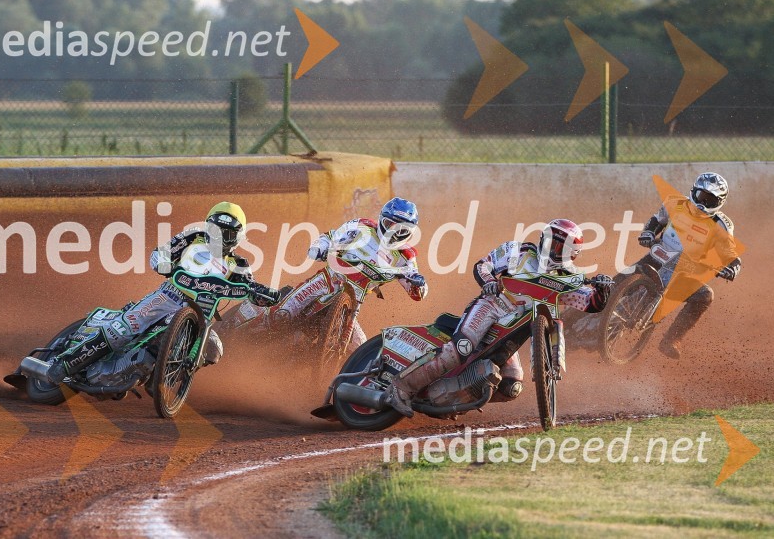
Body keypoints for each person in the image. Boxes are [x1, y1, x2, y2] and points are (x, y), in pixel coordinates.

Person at [385, 219, 613, 418]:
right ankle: (401, 387)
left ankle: (455, 400)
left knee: (511, 385)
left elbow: (590, 303)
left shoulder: (570, 278)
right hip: (493, 306)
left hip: (514, 327)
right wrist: (489, 282)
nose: (550, 246)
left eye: (558, 245)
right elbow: (483, 265)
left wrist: (602, 289)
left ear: (571, 252)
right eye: (549, 239)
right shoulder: (520, 251)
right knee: (461, 348)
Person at [45, 201, 278, 384]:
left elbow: (250, 287)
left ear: (236, 237)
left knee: (214, 348)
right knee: (126, 328)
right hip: (168, 296)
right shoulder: (191, 238)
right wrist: (164, 264)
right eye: (215, 230)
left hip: (202, 313)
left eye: (225, 234)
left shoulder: (239, 263)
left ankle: (166, 375)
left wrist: (264, 296)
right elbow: (160, 253)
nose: (218, 238)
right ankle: (64, 364)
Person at [268, 197, 428, 346]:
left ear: (411, 232)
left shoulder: (405, 256)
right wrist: (319, 248)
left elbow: (416, 289)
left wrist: (419, 284)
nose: (394, 233)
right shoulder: (363, 227)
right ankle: (249, 333)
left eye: (402, 230)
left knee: (360, 348)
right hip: (326, 282)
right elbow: (330, 236)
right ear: (381, 219)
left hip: (352, 303)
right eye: (390, 225)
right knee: (282, 314)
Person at [637, 172, 741, 359]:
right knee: (615, 284)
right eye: (702, 196)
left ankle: (672, 340)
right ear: (694, 191)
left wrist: (732, 267)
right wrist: (648, 234)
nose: (703, 204)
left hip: (684, 272)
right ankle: (586, 313)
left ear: (719, 202)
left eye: (710, 200)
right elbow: (656, 221)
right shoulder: (675, 203)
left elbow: (730, 253)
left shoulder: (722, 225)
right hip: (656, 257)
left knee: (705, 296)